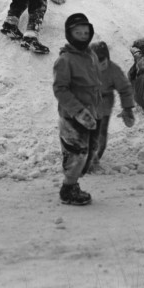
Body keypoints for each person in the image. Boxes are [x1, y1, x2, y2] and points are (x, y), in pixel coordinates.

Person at [52, 13, 102, 206]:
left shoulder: (91, 55)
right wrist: (78, 111)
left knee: (90, 149)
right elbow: (60, 89)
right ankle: (68, 188)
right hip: (73, 115)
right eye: (77, 32)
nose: (82, 35)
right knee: (76, 151)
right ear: (69, 34)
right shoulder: (65, 60)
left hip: (91, 112)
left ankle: (73, 182)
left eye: (85, 32)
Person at [85, 41, 135, 172]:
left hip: (104, 103)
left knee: (100, 131)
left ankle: (94, 159)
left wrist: (127, 108)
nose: (101, 66)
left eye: (103, 62)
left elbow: (125, 88)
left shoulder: (114, 70)